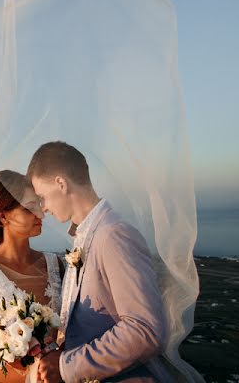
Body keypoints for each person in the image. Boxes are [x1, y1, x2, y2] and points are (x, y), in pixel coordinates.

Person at [27, 142, 173, 383]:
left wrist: (66, 367)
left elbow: (145, 330)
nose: (44, 209)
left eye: (42, 198)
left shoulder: (113, 235)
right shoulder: (84, 237)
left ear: (61, 184)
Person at [0, 170, 64, 383]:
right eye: (29, 208)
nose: (40, 214)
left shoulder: (57, 265)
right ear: (3, 215)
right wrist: (34, 377)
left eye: (39, 205)